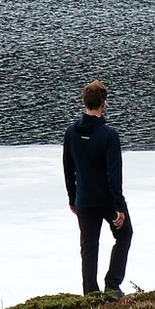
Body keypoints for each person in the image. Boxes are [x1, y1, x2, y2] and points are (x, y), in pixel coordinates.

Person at [62, 80, 132, 295]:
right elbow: (114, 173)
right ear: (104, 103)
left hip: (83, 200)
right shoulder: (109, 135)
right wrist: (118, 206)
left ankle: (90, 293)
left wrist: (72, 198)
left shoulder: (71, 133)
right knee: (124, 234)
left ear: (84, 102)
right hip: (107, 200)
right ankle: (112, 284)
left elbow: (68, 168)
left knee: (89, 247)